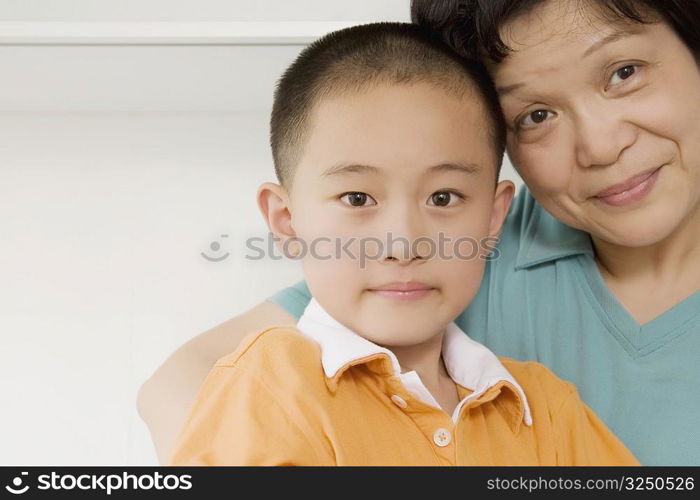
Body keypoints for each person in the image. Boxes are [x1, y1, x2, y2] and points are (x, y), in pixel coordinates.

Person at [139, 0, 700, 466]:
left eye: (623, 72)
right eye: (534, 115)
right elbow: (187, 382)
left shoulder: (542, 402)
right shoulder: (404, 283)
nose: (600, 145)